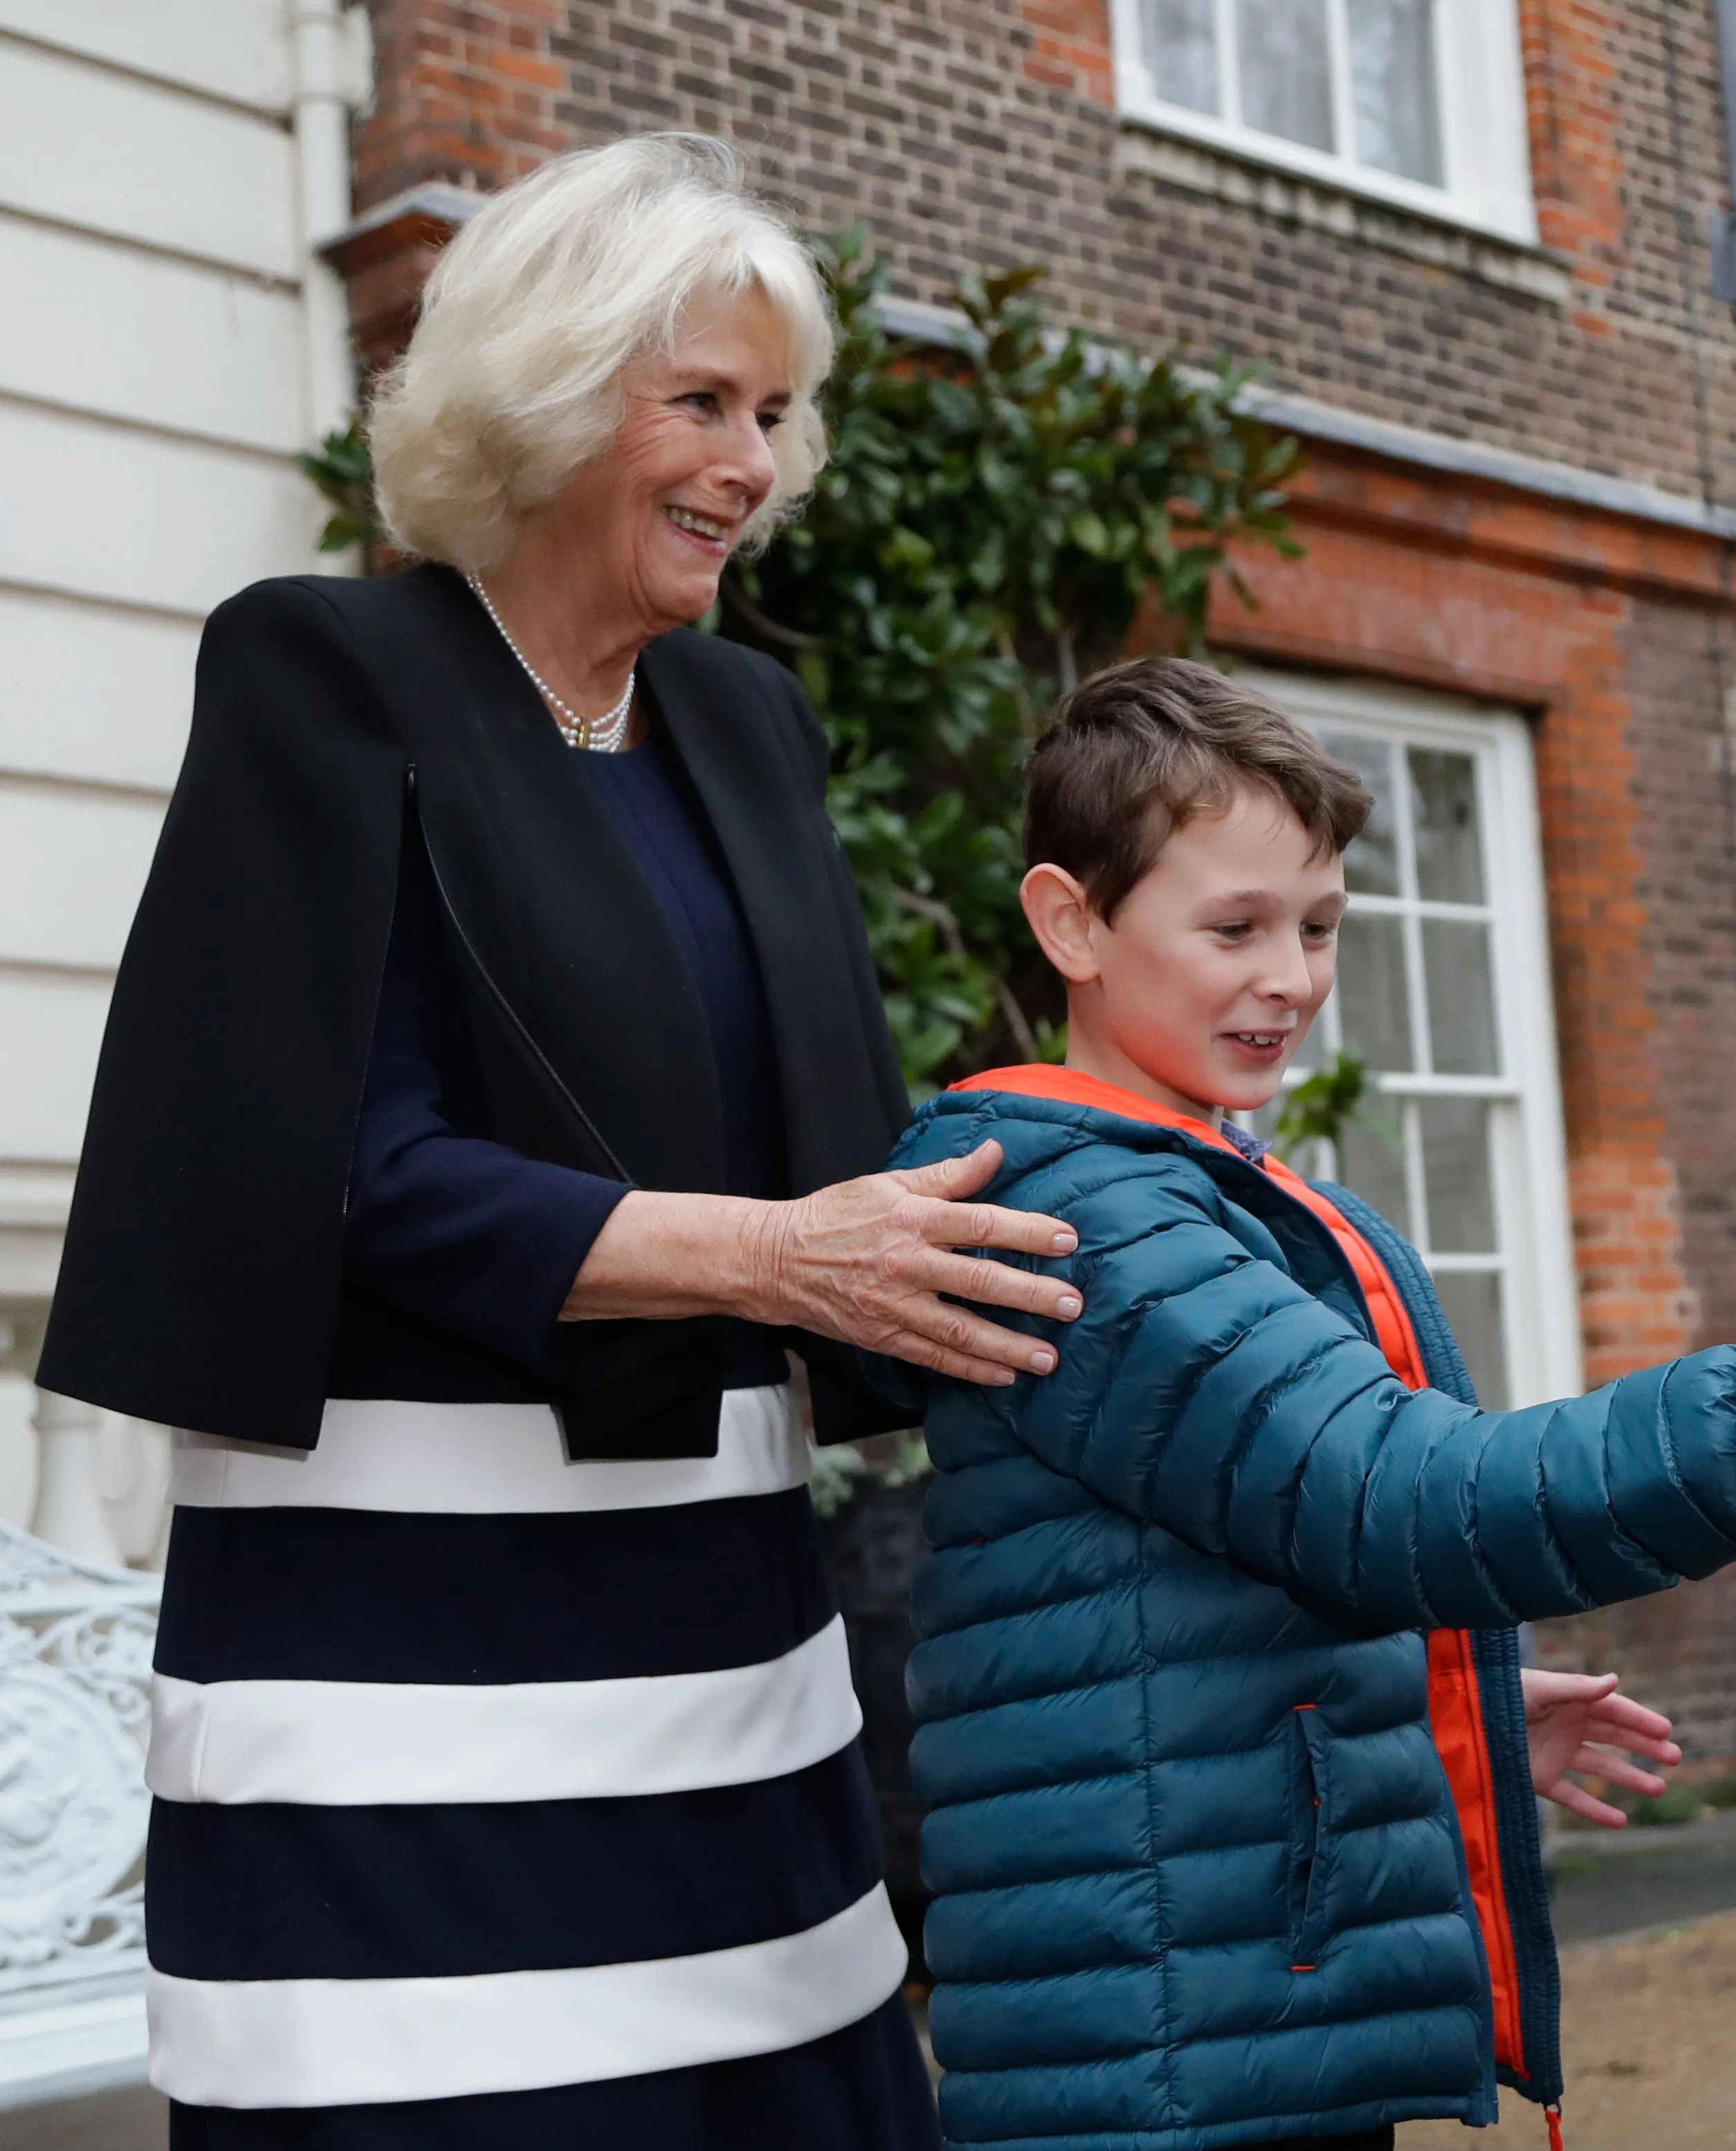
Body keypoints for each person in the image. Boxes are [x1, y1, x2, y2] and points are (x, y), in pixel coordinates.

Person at [37, 136, 1077, 2147]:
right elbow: (337, 1165)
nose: (756, 464)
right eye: (699, 401)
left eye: (773, 414)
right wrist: (769, 1262)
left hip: (727, 1641)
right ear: (538, 387)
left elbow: (851, 1158)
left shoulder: (744, 725)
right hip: (405, 1665)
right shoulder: (324, 674)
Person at [888, 658, 1736, 2151]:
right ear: (1070, 922)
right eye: (1231, 927)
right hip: (1162, 2059)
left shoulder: (1194, 1189)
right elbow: (1391, 1498)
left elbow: (1187, 1605)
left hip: (1196, 2012)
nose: (1289, 977)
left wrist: (1429, 1722)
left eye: (1316, 926)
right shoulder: (1086, 1220)